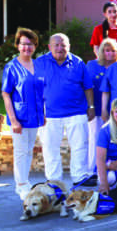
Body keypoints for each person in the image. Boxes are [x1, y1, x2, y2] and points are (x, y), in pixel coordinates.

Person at [35, 33, 95, 186]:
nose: (60, 48)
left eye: (63, 45)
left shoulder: (78, 62)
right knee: (50, 148)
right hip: (49, 114)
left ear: (69, 47)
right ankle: (54, 179)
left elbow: (87, 87)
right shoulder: (39, 63)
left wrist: (91, 106)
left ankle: (80, 176)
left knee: (80, 146)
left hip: (77, 112)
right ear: (49, 47)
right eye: (56, 45)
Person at [2, 28, 46, 199]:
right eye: (23, 44)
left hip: (35, 116)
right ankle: (21, 185)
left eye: (30, 44)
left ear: (35, 46)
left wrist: (43, 113)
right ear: (18, 46)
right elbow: (6, 94)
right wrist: (13, 120)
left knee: (28, 151)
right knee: (21, 152)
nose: (27, 47)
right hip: (19, 117)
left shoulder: (39, 66)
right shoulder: (11, 67)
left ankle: (24, 182)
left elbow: (43, 92)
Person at [86, 38, 117, 181]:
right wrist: (90, 107)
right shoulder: (92, 65)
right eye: (107, 50)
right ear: (101, 51)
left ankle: (112, 168)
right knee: (95, 138)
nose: (110, 53)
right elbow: (86, 86)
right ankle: (92, 170)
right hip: (97, 109)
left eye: (113, 51)